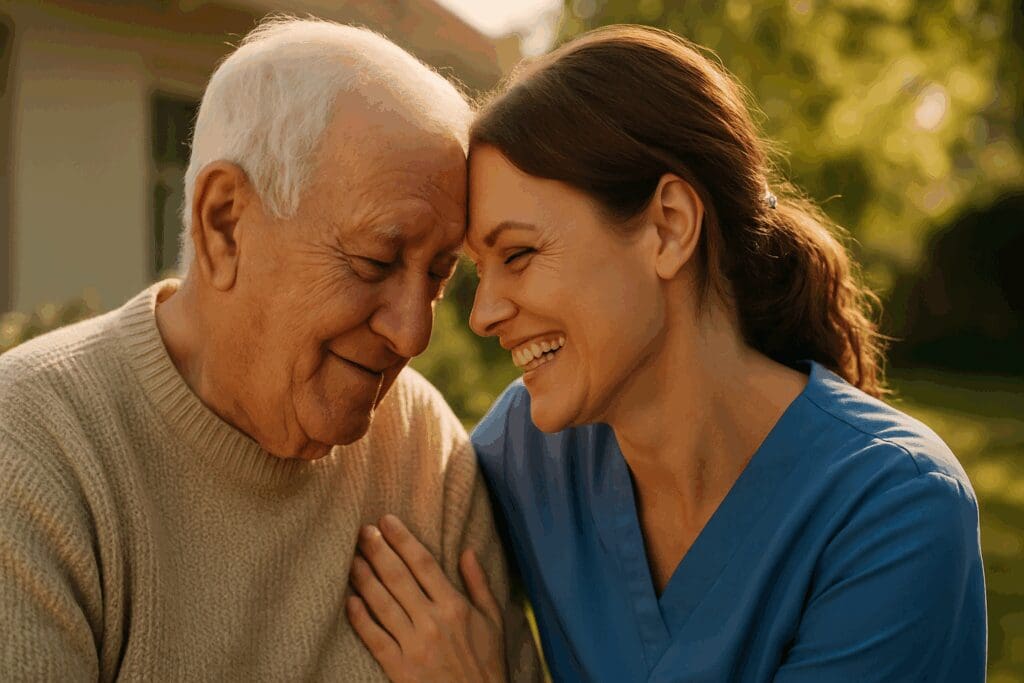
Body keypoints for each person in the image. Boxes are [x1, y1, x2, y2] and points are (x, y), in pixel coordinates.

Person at [347, 25, 987, 682]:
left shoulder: (897, 510)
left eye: (518, 255)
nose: (483, 314)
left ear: (669, 227)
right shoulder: (531, 456)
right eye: (479, 271)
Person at [0, 18, 539, 681]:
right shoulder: (29, 447)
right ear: (224, 224)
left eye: (437, 275)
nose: (413, 334)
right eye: (374, 260)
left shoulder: (425, 452)